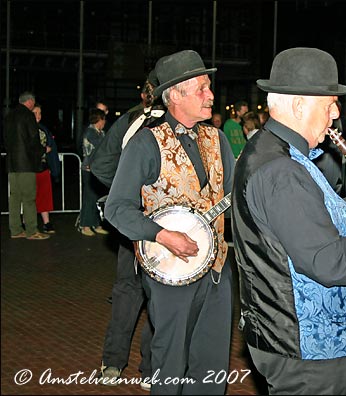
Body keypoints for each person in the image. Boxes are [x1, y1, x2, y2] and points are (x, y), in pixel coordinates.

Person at [231, 47, 346, 395]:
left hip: (302, 344)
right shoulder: (281, 170)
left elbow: (301, 227)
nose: (335, 114)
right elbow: (329, 262)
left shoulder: (277, 153)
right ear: (299, 105)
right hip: (304, 351)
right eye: (329, 104)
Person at [104, 49, 235, 395]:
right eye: (201, 89)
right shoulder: (146, 143)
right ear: (175, 95)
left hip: (218, 272)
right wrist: (161, 234)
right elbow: (116, 208)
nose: (210, 95)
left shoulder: (217, 139)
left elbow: (240, 197)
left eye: (209, 87)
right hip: (170, 275)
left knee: (212, 366)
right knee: (171, 364)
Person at [91, 70, 164, 390]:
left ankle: (112, 362)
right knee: (161, 296)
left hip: (130, 221)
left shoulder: (130, 121)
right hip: (168, 223)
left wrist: (124, 194)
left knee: (127, 291)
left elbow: (99, 164)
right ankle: (151, 369)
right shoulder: (180, 124)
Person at [4, 91, 49, 240]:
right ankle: (32, 230)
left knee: (14, 197)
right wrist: (43, 150)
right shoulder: (28, 115)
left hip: (12, 164)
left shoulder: (9, 115)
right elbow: (33, 140)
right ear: (30, 101)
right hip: (26, 164)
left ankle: (15, 229)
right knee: (29, 198)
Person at [79, 108, 109, 236]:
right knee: (89, 197)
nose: (105, 122)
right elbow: (102, 148)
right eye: (103, 119)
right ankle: (85, 225)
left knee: (96, 197)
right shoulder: (91, 133)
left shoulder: (100, 133)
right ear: (99, 120)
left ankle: (96, 223)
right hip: (89, 169)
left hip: (97, 169)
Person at [32, 103, 60, 233]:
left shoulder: (44, 129)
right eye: (35, 113)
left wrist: (54, 169)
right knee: (29, 196)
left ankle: (46, 222)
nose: (38, 116)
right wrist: (44, 149)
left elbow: (52, 148)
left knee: (45, 195)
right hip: (30, 168)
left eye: (40, 113)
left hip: (43, 167)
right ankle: (28, 222)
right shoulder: (26, 129)